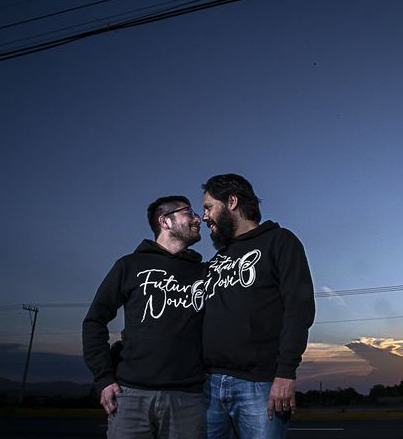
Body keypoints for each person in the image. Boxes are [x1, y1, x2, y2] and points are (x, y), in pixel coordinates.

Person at [200, 174, 315, 439]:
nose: (204, 216)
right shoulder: (218, 258)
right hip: (210, 385)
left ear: (231, 201)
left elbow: (299, 309)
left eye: (208, 207)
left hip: (260, 385)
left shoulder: (280, 242)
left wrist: (286, 372)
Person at [82, 196, 205, 439]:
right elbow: (95, 321)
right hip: (131, 396)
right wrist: (104, 379)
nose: (197, 219)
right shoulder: (129, 266)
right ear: (165, 221)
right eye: (188, 212)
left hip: (188, 399)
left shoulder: (203, 273)